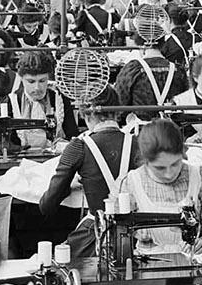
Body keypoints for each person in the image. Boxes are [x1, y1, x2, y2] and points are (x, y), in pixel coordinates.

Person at [109, 118, 202, 256]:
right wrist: (137, 232)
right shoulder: (130, 183)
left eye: (175, 164)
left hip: (193, 260)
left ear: (182, 153)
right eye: (160, 168)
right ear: (145, 161)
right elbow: (116, 233)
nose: (169, 174)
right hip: (146, 262)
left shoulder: (201, 177)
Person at [39, 89, 137, 245]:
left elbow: (47, 205)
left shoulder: (78, 147)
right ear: (117, 112)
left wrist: (68, 187)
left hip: (96, 235)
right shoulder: (139, 143)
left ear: (85, 115)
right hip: (135, 236)